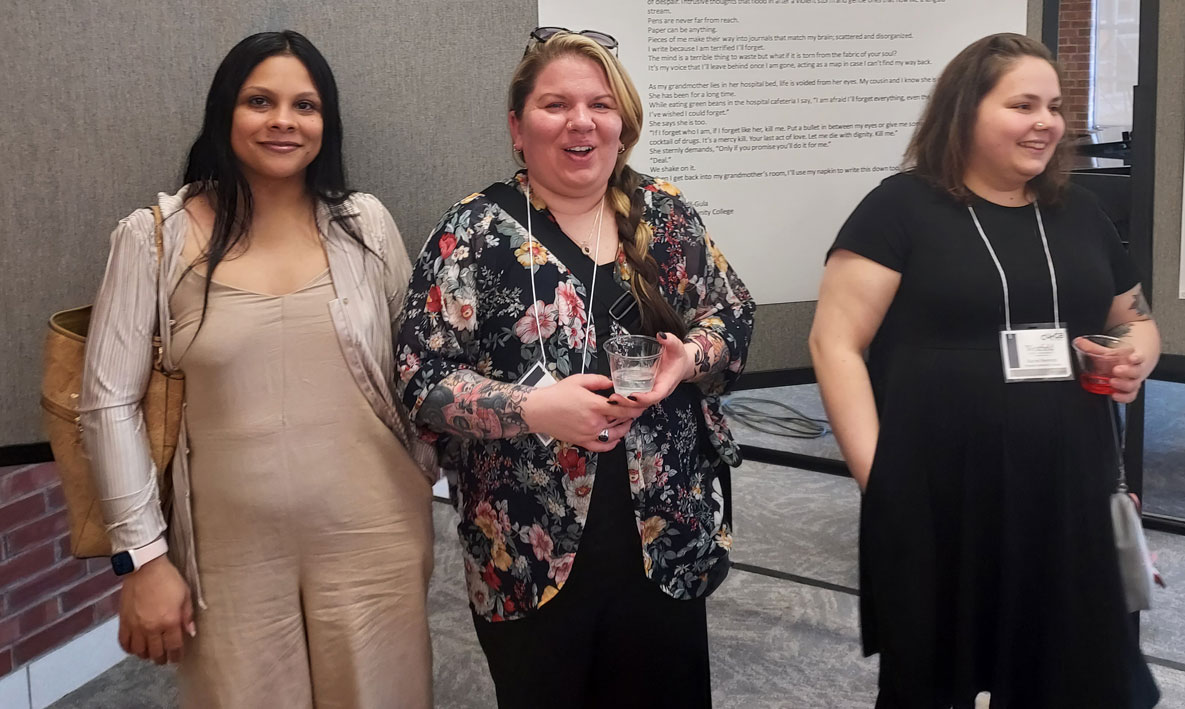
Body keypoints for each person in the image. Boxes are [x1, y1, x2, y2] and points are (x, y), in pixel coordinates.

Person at [395, 28, 754, 708]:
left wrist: (689, 357)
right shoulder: (470, 234)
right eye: (555, 104)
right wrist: (530, 408)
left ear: (623, 122)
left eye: (600, 104)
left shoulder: (665, 218)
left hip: (663, 539)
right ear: (516, 125)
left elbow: (732, 316)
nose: (580, 122)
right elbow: (421, 378)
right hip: (527, 550)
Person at [80, 31, 435, 708]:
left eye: (305, 105)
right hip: (226, 554)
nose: (282, 120)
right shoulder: (155, 237)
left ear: (325, 124)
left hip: (375, 538)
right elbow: (106, 403)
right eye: (259, 101)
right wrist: (143, 558)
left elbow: (418, 369)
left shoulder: (364, 225)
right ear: (226, 113)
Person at [810, 33, 1162, 708]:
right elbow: (834, 344)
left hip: (1070, 490)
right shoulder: (899, 208)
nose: (1046, 123)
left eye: (1054, 107)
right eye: (1022, 104)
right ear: (965, 110)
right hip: (940, 493)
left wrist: (1136, 350)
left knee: (1074, 674)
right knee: (933, 676)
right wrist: (878, 477)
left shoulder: (1078, 212)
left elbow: (1134, 317)